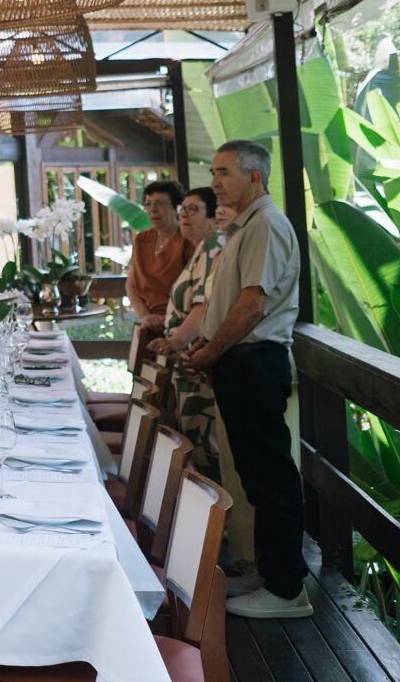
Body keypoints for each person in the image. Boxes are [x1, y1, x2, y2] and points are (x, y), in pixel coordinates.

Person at [185, 141, 309, 620]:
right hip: (240, 362)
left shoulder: (266, 225)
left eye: (224, 173)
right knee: (257, 477)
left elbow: (253, 304)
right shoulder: (244, 226)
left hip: (256, 362)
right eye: (213, 172)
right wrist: (210, 348)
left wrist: (211, 351)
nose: (215, 181)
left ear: (255, 178)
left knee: (272, 478)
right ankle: (269, 572)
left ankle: (287, 590)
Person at [149, 186, 225, 479]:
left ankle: (214, 520)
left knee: (203, 444)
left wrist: (175, 340)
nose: (184, 216)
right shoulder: (200, 249)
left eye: (193, 210)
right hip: (186, 359)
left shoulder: (212, 245)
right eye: (182, 210)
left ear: (213, 216)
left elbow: (203, 305)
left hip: (195, 359)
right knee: (195, 440)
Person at [126, 179, 191, 368]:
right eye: (148, 204)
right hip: (147, 326)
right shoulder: (142, 240)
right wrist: (145, 316)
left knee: (171, 392)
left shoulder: (187, 240)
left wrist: (167, 319)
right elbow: (130, 285)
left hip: (180, 329)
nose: (153, 209)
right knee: (146, 390)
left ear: (176, 207)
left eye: (160, 203)